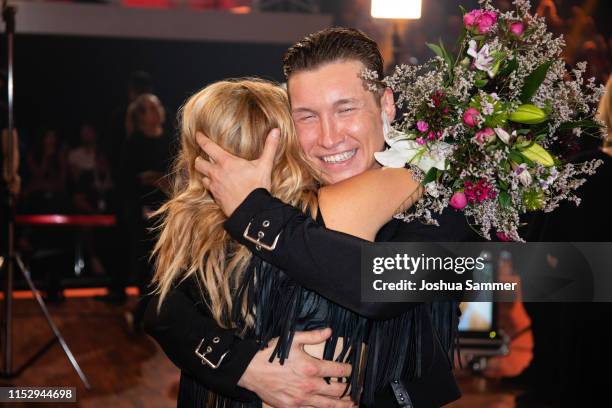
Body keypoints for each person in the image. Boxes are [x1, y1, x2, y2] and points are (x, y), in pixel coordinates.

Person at [146, 28, 479, 408]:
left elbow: (381, 285)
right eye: (306, 116)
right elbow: (163, 308)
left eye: (345, 109)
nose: (328, 137)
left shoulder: (445, 194)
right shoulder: (280, 193)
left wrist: (253, 211)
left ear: (386, 104)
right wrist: (245, 367)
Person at [120, 93, 174, 330]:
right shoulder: (134, 142)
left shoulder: (170, 138)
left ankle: (163, 313)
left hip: (169, 207)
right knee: (145, 261)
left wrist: (162, 180)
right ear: (141, 115)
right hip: (141, 209)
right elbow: (128, 178)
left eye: (159, 106)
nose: (159, 110)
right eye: (153, 107)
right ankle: (143, 313)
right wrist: (152, 179)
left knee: (167, 261)